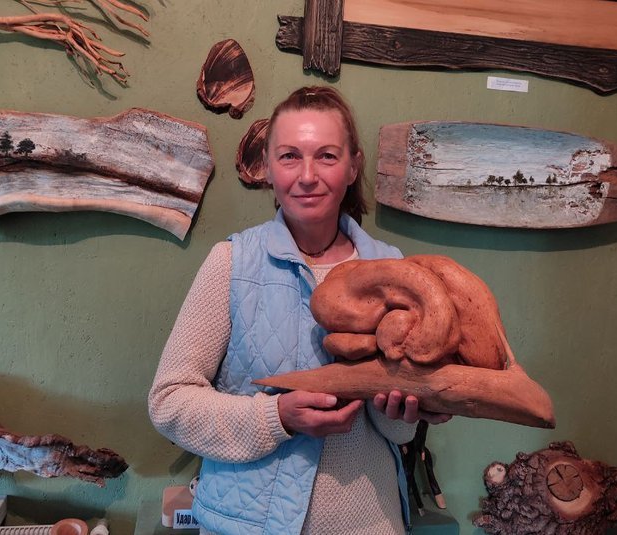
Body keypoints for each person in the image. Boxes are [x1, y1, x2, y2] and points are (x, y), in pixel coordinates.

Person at [148, 86, 450, 535]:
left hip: (370, 522)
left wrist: (402, 411)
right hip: (248, 527)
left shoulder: (393, 268)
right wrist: (277, 418)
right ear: (268, 168)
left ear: (353, 166)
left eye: (327, 156)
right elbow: (168, 402)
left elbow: (397, 432)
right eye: (290, 156)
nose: (307, 176)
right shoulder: (232, 263)